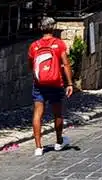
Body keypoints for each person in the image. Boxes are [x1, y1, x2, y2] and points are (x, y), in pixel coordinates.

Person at [28, 17, 75, 156]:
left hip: (39, 84)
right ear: (53, 28)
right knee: (57, 113)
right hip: (55, 83)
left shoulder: (34, 45)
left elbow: (31, 65)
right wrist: (70, 83)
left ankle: (38, 147)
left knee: (37, 114)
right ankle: (59, 141)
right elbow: (66, 64)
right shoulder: (59, 44)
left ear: (41, 28)